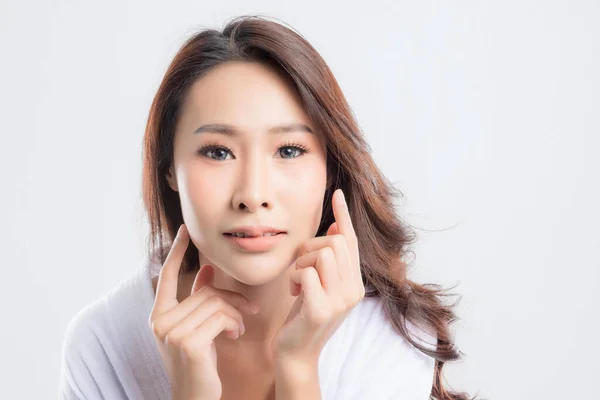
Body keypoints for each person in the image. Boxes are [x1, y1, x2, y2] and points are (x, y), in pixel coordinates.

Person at [59, 15, 476, 400]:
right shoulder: (104, 346)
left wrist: (297, 368)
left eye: (289, 150)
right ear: (169, 169)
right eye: (218, 152)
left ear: (331, 167)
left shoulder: (384, 337)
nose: (252, 194)